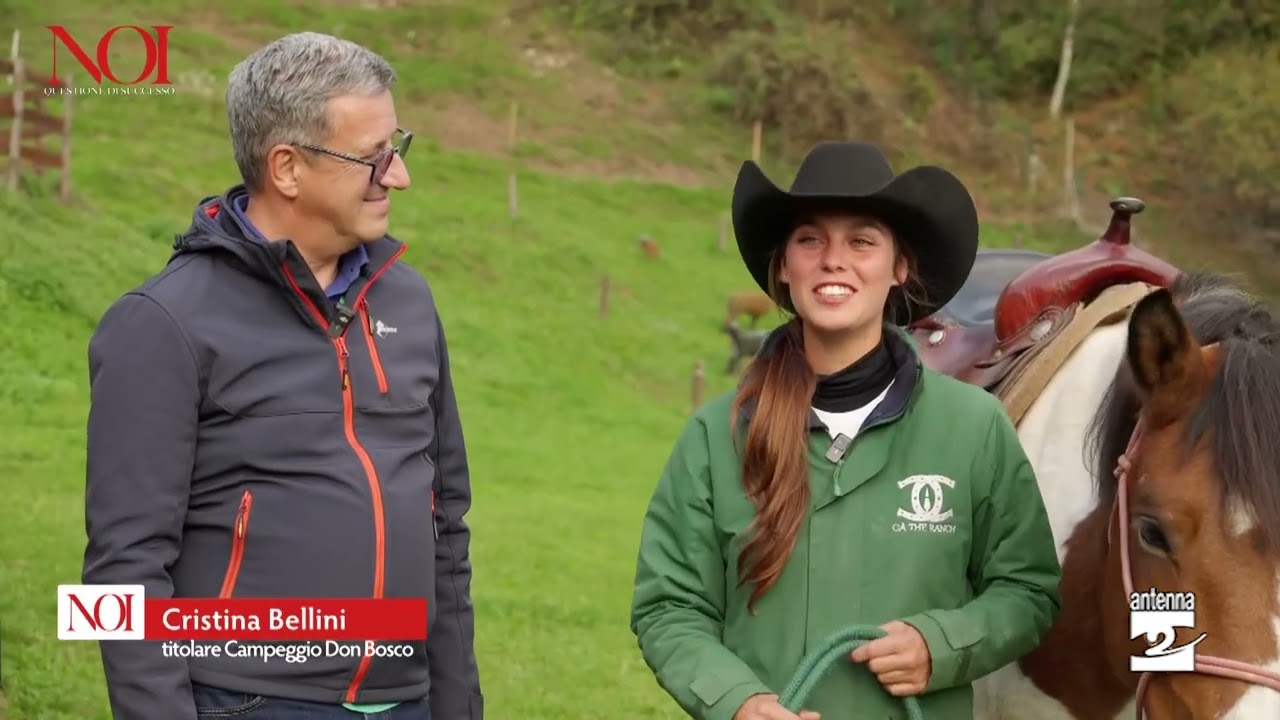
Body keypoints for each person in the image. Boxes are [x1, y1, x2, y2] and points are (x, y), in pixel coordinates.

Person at [81, 33, 482, 720]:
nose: (398, 176)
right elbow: (123, 567)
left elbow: (446, 523)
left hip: (406, 699)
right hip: (248, 700)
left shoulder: (409, 300)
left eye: (397, 147)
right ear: (287, 168)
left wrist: (457, 705)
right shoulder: (163, 322)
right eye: (373, 157)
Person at [629, 141, 1062, 720]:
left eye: (861, 241)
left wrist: (941, 645)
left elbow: (1028, 592)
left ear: (899, 267)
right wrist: (739, 702)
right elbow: (669, 607)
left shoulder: (974, 427)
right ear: (784, 266)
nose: (834, 260)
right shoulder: (716, 435)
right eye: (811, 240)